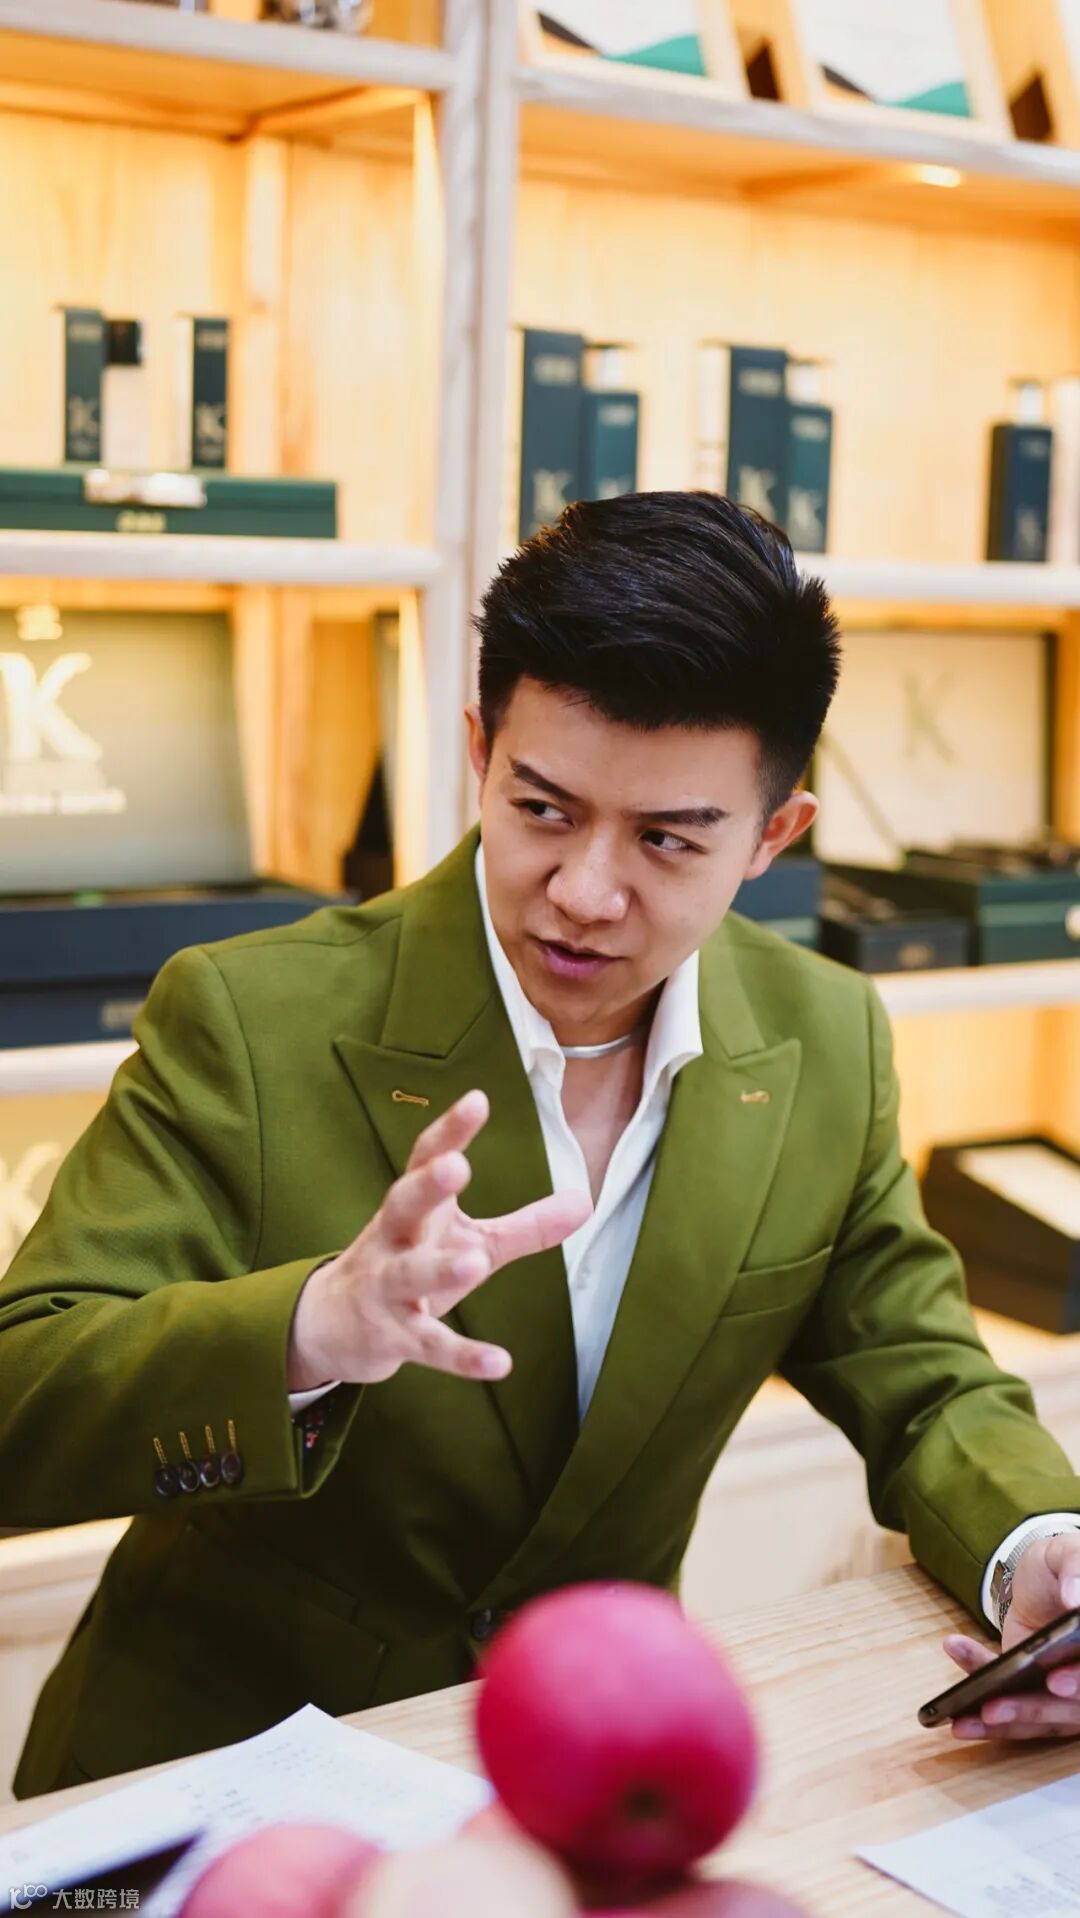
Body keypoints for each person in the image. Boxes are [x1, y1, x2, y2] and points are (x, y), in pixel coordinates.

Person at [4, 492, 1080, 1798]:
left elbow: (921, 1378)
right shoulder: (248, 1015)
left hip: (588, 1780)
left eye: (667, 839)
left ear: (773, 835)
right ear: (480, 750)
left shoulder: (826, 1039)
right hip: (222, 1780)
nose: (584, 891)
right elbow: (20, 1393)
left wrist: (1039, 1546)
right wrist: (308, 1329)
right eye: (545, 808)